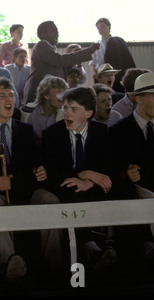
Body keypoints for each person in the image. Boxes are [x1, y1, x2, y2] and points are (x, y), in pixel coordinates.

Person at [0, 77, 49, 281]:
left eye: (12, 95)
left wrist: (40, 172)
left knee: (49, 200)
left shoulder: (25, 130)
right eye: (3, 95)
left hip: (24, 190)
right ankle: (8, 267)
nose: (9, 99)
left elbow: (34, 166)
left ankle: (54, 269)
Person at [41, 86, 117, 275]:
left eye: (73, 109)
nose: (67, 113)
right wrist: (83, 175)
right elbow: (52, 173)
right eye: (65, 108)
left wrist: (91, 180)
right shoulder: (52, 134)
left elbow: (109, 170)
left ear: (89, 113)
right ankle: (91, 250)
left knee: (127, 191)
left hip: (96, 187)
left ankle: (141, 246)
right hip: (67, 188)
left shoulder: (102, 132)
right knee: (74, 191)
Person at [108, 72, 154, 267]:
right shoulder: (118, 132)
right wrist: (124, 174)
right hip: (136, 192)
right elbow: (109, 169)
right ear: (138, 99)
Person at [22, 21, 99, 105]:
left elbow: (64, 67)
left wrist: (78, 60)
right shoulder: (41, 45)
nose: (57, 33)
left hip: (49, 93)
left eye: (57, 31)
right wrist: (88, 51)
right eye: (52, 30)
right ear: (43, 35)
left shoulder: (52, 48)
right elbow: (58, 60)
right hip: (38, 91)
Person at [89, 18, 136, 94]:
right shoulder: (96, 45)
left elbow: (126, 59)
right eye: (98, 28)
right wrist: (96, 77)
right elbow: (92, 63)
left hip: (115, 75)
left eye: (102, 26)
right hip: (100, 75)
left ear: (109, 27)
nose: (100, 29)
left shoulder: (117, 42)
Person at [23, 75, 69, 149]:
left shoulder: (66, 115)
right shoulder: (28, 113)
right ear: (46, 95)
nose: (63, 94)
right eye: (59, 90)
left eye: (65, 91)